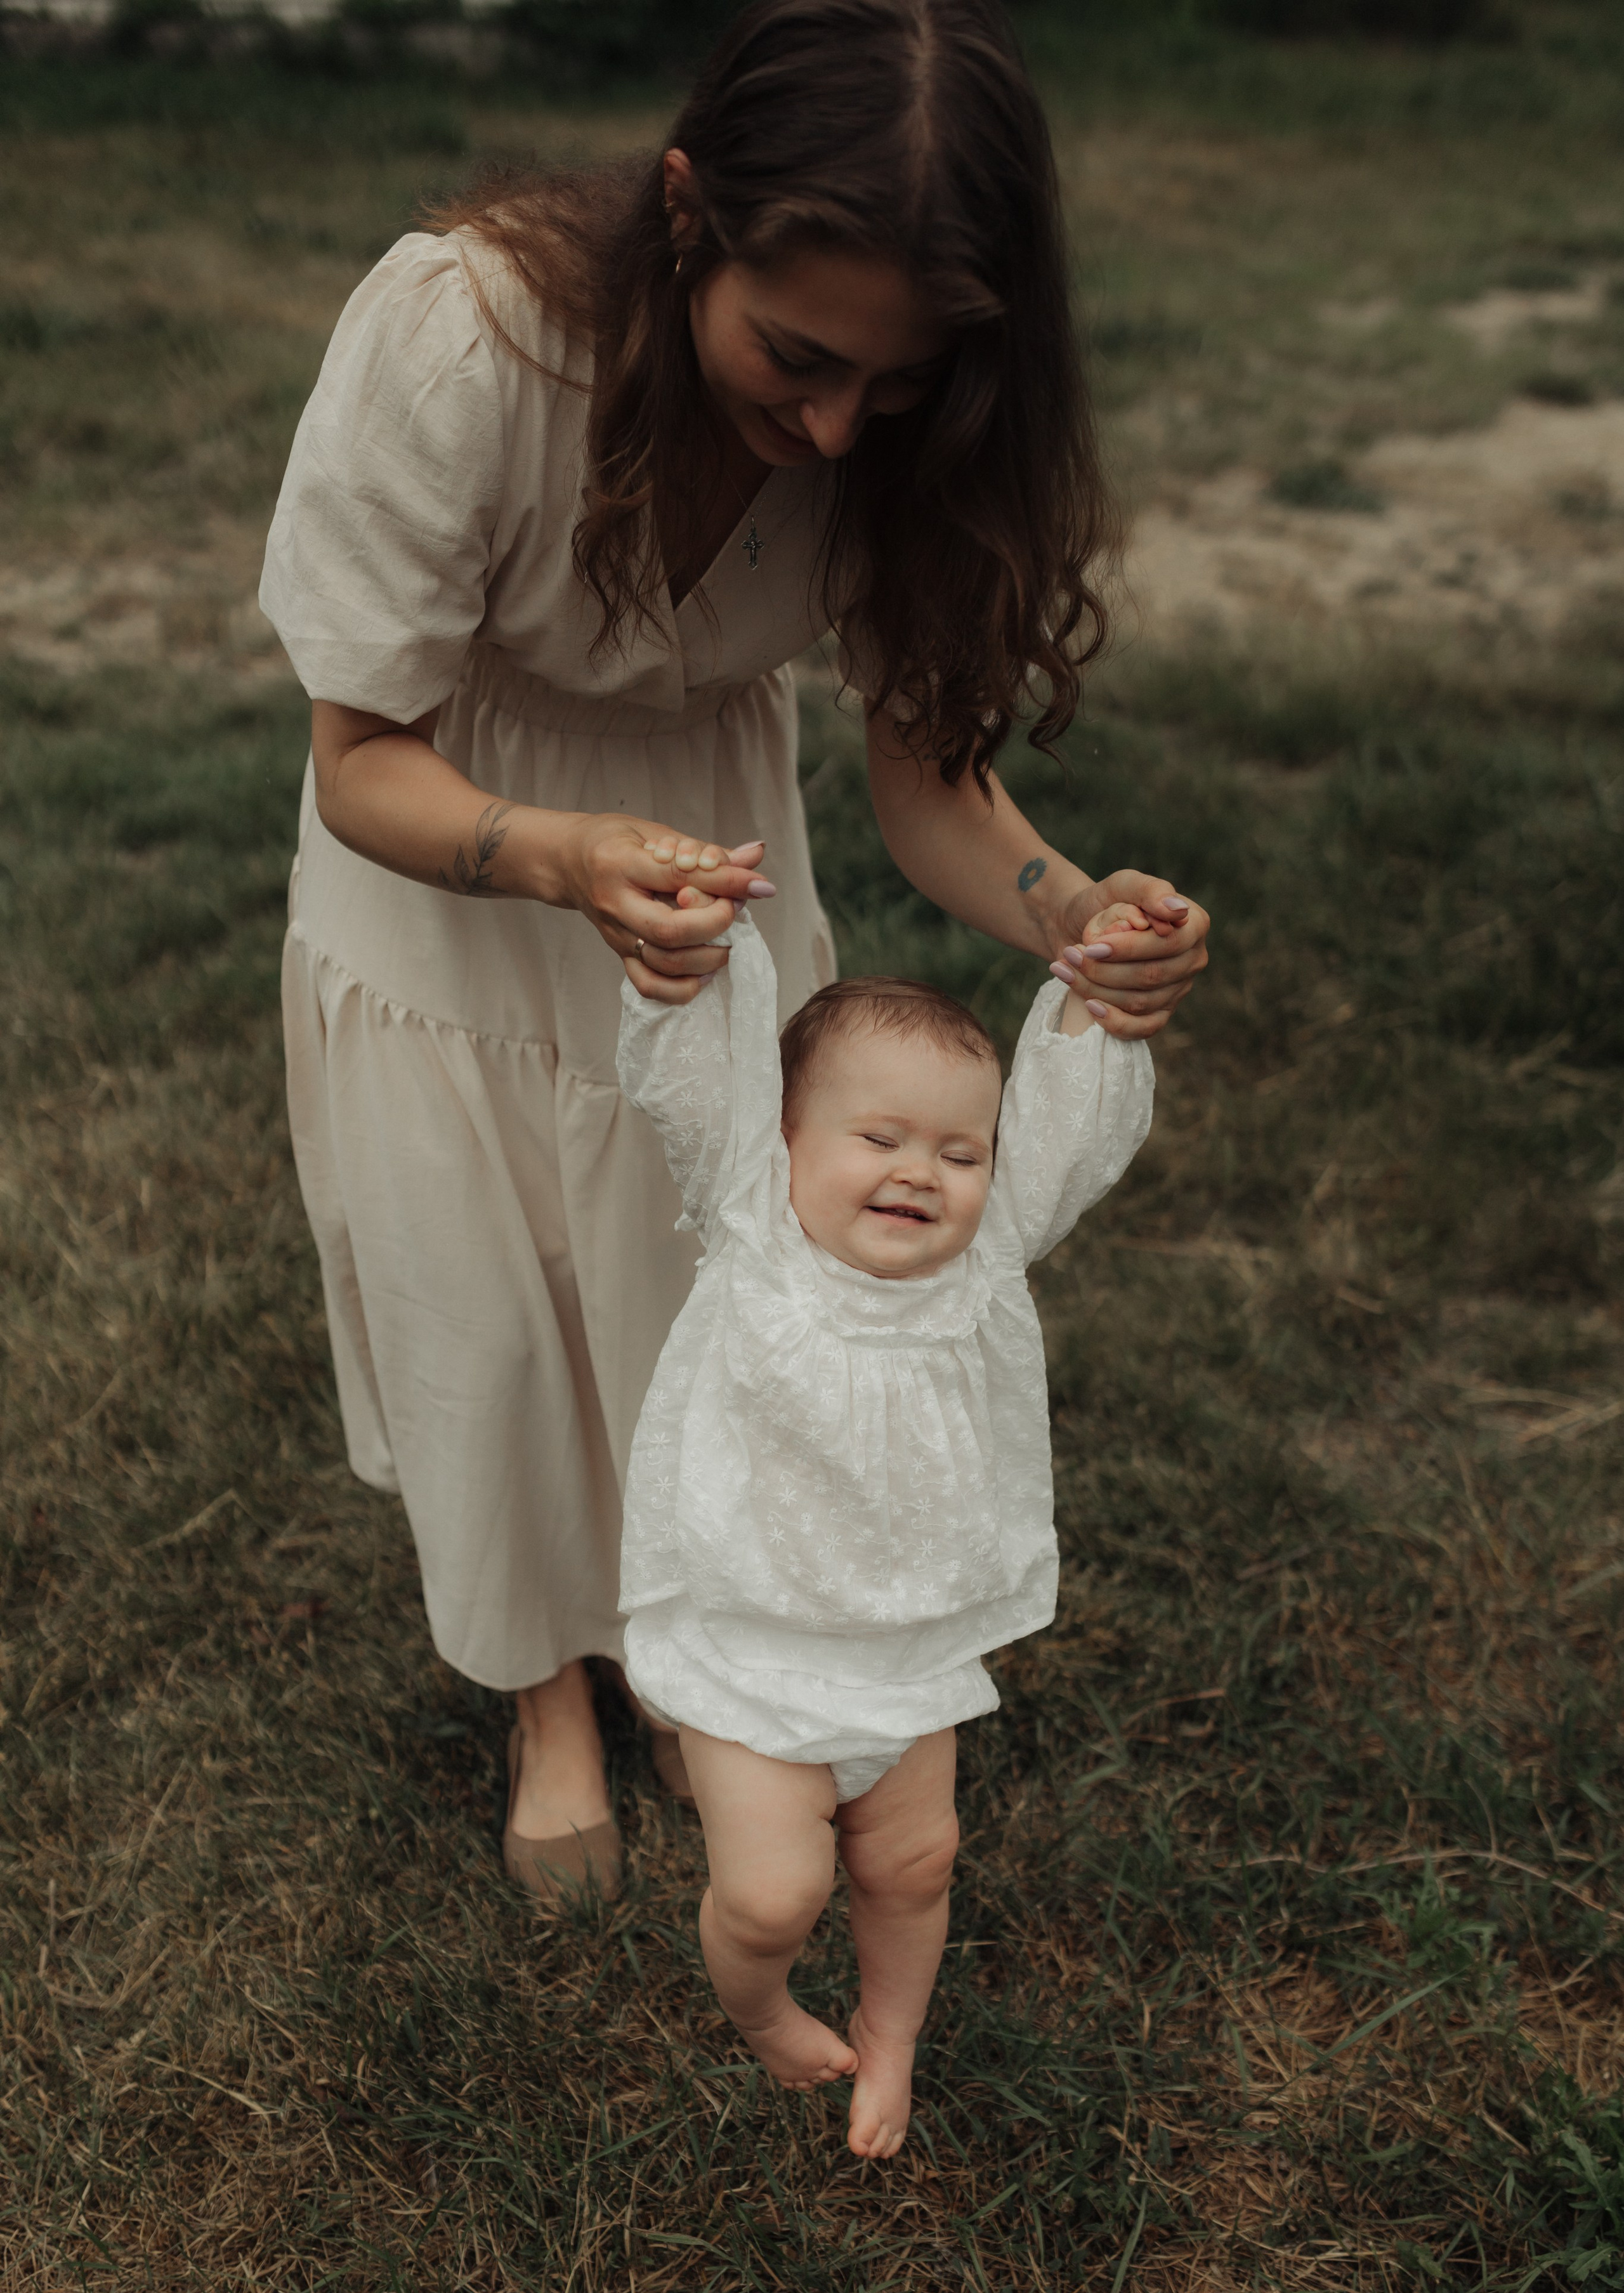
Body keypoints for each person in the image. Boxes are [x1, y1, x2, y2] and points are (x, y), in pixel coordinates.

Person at [258, 0, 1210, 1902]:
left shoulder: (901, 425)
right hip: (455, 855)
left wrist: (1068, 909)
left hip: (709, 880)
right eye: (799, 357)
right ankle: (544, 1696)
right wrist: (556, 856)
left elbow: (929, 781)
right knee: (487, 1319)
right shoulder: (466, 337)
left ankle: (687, 1661)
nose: (840, 426)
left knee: (695, 1297)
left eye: (897, 381)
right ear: (690, 212)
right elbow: (360, 759)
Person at [615, 899, 1153, 2154]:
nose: (921, 1172)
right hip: (750, 1644)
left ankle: (892, 2034)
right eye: (879, 1138)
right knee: (772, 1894)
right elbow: (694, 1085)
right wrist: (686, 967)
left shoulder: (986, 1263)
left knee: (913, 1866)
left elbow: (1068, 1136)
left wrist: (1095, 1000)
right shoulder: (754, 1231)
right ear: (784, 1144)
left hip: (908, 1647)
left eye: (961, 1154)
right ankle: (761, 2008)